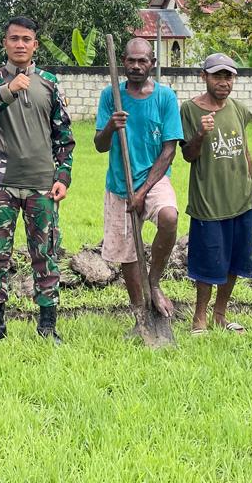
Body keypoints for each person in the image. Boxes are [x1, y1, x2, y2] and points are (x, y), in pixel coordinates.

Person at [0, 16, 74, 343]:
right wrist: (7, 91)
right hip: (1, 183)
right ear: (5, 43)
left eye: (26, 39)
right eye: (14, 38)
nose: (20, 44)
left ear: (35, 44)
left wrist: (63, 176)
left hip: (42, 183)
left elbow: (64, 135)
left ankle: (47, 327)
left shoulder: (50, 83)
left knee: (46, 254)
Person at [93, 38, 181, 331]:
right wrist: (110, 126)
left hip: (153, 179)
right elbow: (100, 146)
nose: (135, 66)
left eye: (142, 61)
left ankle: (154, 282)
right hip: (120, 184)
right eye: (130, 61)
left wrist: (143, 192)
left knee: (169, 216)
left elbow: (169, 151)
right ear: (123, 62)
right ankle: (140, 315)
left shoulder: (165, 98)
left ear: (152, 64)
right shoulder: (111, 96)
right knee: (127, 253)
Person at [179, 53, 252, 334]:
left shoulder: (237, 108)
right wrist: (201, 134)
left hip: (241, 201)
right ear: (204, 77)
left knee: (234, 262)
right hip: (208, 202)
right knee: (207, 263)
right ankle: (198, 317)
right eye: (217, 76)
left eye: (228, 76)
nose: (223, 82)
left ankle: (219, 315)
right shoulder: (189, 110)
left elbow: (245, 154)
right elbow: (188, 155)